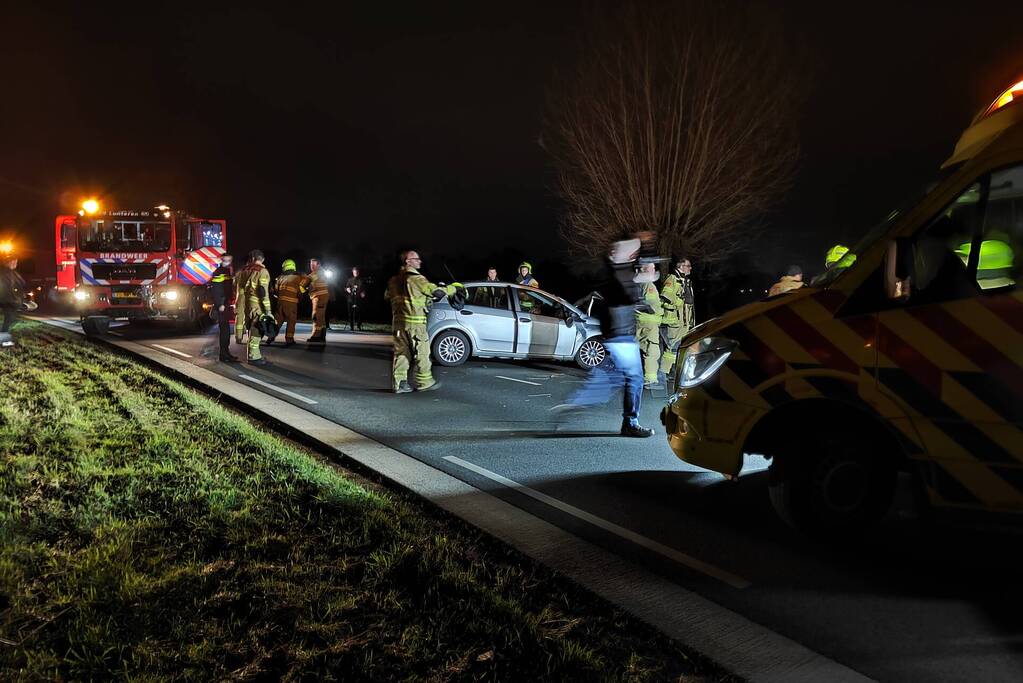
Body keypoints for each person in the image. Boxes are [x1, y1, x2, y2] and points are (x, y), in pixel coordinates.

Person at [555, 237, 655, 438]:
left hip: (617, 334)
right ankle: (630, 423)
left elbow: (626, 296)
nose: (634, 255)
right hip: (621, 335)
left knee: (610, 378)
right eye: (631, 251)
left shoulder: (616, 271)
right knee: (634, 378)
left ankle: (576, 405)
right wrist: (642, 280)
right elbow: (626, 296)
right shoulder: (618, 273)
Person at [386, 250, 457, 393]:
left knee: (401, 353)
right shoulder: (417, 279)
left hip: (398, 324)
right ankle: (424, 382)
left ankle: (399, 384)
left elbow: (387, 296)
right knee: (422, 353)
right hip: (416, 324)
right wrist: (453, 288)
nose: (419, 261)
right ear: (408, 261)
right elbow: (437, 292)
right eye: (416, 259)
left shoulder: (393, 281)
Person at [235, 250, 273, 365]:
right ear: (262, 259)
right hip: (257, 305)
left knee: (250, 329)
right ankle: (253, 357)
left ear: (252, 258)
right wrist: (268, 310)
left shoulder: (243, 271)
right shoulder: (262, 271)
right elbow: (263, 292)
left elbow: (239, 290)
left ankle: (254, 354)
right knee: (256, 331)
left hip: (247, 305)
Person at [659, 257, 695, 379]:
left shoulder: (685, 280)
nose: (690, 268)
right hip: (674, 322)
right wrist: (678, 302)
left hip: (683, 322)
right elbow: (665, 295)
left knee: (676, 348)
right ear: (681, 267)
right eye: (688, 266)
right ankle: (665, 373)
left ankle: (668, 373)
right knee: (673, 348)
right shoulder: (673, 279)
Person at [635, 262, 662, 386]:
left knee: (641, 348)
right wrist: (660, 312)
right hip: (649, 323)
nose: (654, 270)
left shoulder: (637, 282)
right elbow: (651, 305)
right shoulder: (648, 284)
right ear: (646, 269)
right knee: (652, 350)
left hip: (640, 321)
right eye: (652, 268)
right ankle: (650, 380)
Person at [209, 253, 239, 362]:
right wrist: (220, 303)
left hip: (226, 304)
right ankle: (223, 355)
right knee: (225, 331)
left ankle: (226, 353)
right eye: (226, 260)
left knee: (226, 331)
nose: (228, 262)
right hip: (222, 305)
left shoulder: (227, 271)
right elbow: (217, 290)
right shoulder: (219, 272)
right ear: (222, 260)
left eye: (229, 260)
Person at [274, 258, 304, 345]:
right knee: (291, 321)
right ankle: (289, 339)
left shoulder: (280, 277)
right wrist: (300, 298)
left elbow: (276, 291)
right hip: (291, 303)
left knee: (278, 320)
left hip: (280, 303)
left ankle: (271, 335)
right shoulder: (297, 278)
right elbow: (300, 291)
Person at [305, 258, 330, 343]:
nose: (311, 266)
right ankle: (322, 335)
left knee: (316, 316)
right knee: (321, 317)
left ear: (318, 265)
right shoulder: (323, 273)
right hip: (322, 297)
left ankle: (316, 336)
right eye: (310, 264)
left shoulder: (314, 274)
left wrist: (300, 291)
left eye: (313, 265)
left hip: (319, 297)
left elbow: (304, 284)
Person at [0, 253, 25, 335]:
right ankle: (4, 336)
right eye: (14, 262)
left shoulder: (12, 273)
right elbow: (7, 289)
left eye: (16, 262)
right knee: (9, 319)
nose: (16, 264)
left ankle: (5, 335)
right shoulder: (6, 273)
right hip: (8, 301)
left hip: (10, 300)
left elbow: (21, 283)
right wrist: (15, 300)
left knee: (10, 319)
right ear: (9, 262)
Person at [344, 267, 366, 331]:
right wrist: (347, 289)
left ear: (358, 272)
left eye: (356, 272)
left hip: (359, 299)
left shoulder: (361, 280)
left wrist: (363, 293)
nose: (355, 273)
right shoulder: (350, 280)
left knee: (359, 313)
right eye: (354, 272)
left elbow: (364, 289)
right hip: (351, 299)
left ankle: (358, 326)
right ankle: (351, 326)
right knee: (350, 313)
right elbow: (346, 287)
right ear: (353, 272)